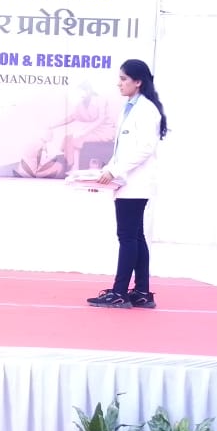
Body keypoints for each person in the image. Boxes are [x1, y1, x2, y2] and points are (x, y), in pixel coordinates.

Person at [87, 58, 167, 309]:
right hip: (127, 182)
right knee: (136, 237)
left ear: (138, 81)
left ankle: (119, 292)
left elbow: (144, 149)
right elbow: (121, 150)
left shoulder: (147, 110)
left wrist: (115, 171)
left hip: (136, 183)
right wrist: (106, 174)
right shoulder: (130, 107)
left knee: (128, 237)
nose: (119, 83)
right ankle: (141, 292)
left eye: (123, 79)